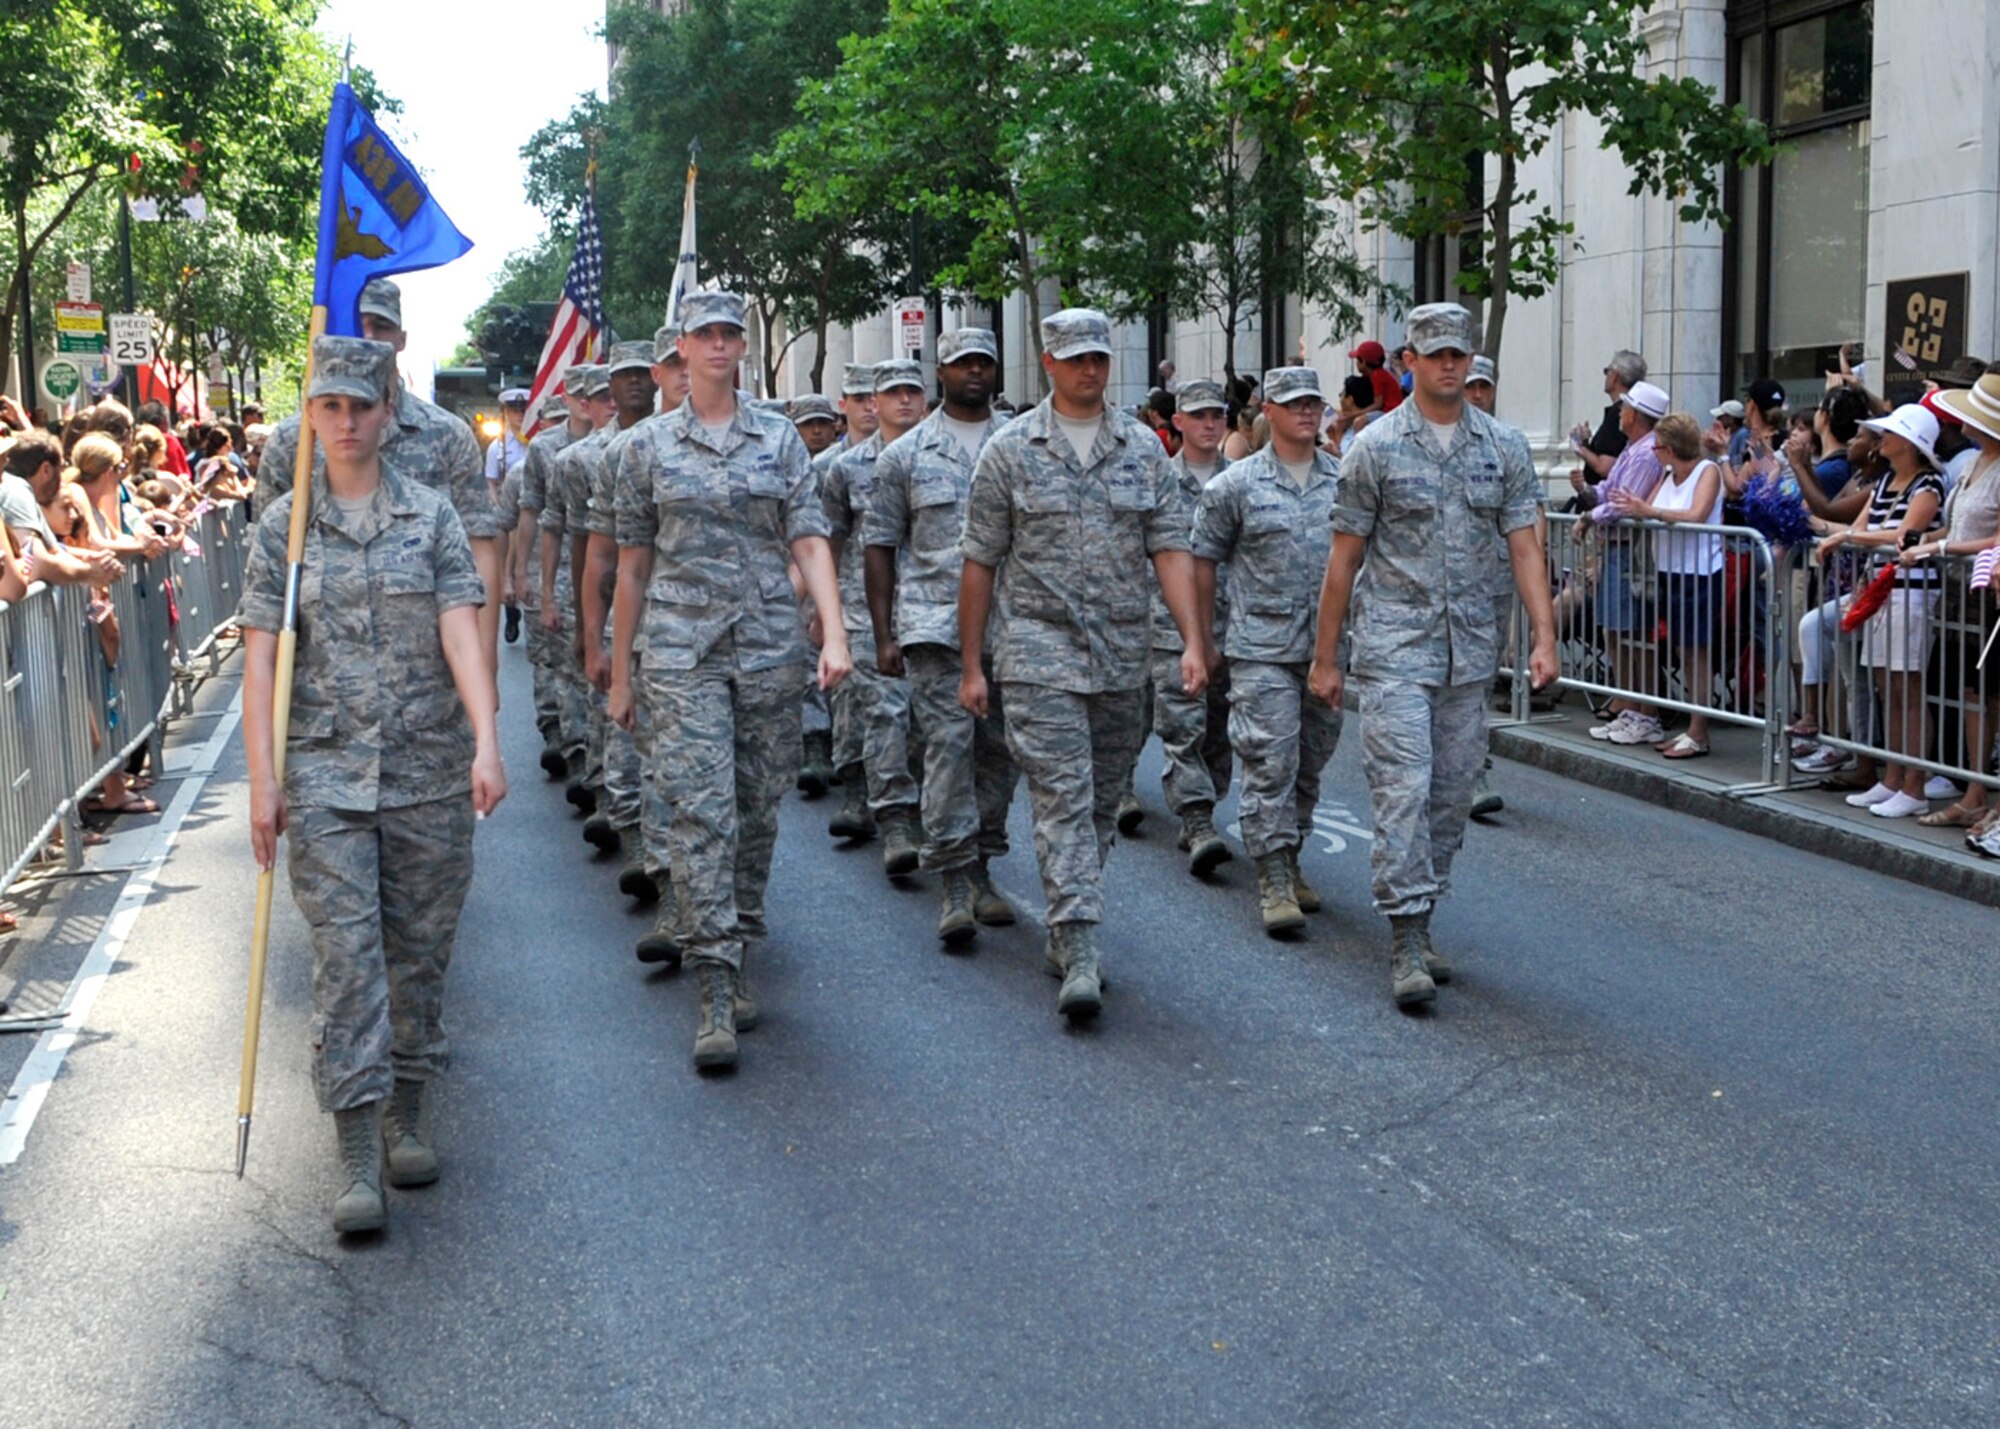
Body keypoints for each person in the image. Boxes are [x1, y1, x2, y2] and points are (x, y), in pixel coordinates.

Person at [238, 334, 504, 1236]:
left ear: (389, 413)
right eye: (329, 406)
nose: (346, 422)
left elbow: (462, 629)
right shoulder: (286, 528)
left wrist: (487, 740)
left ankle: (405, 1111)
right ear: (309, 416)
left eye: (361, 405)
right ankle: (356, 1147)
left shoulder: (429, 516)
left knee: (418, 955)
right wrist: (262, 782)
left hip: (429, 770)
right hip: (324, 776)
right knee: (350, 963)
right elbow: (262, 659)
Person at [609, 291, 851, 1071]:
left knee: (756, 808)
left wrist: (835, 631)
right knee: (703, 809)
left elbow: (808, 538)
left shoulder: (780, 441)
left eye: (729, 334)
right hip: (681, 654)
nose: (718, 345)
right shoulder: (645, 449)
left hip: (768, 649)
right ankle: (713, 981)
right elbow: (632, 569)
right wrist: (620, 672)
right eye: (704, 334)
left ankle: (740, 933)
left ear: (741, 348)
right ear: (679, 348)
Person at [958, 307, 1207, 1022]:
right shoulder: (1010, 451)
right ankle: (1080, 942)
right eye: (1075, 359)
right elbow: (979, 562)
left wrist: (1191, 640)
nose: (1090, 369)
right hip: (1038, 652)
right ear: (1049, 364)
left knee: (1100, 802)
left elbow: (1169, 551)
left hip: (1124, 654)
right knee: (1063, 797)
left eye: (1099, 357)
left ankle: (1070, 916)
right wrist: (973, 663)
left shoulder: (1142, 449)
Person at [1307, 302, 1555, 1009]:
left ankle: (1426, 902)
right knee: (1405, 789)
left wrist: (1544, 634)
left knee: (1450, 797)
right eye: (1435, 353)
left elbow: (1525, 546)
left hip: (1469, 654)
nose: (1450, 364)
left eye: (1460, 353)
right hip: (1393, 649)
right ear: (1408, 360)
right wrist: (1328, 658)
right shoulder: (1375, 448)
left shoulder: (1502, 446)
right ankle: (1406, 931)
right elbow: (1344, 558)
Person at [260, 280, 502, 682]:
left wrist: (485, 667)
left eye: (381, 326)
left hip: (427, 689)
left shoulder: (446, 435)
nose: (368, 336)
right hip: (319, 692)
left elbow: (480, 554)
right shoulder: (295, 443)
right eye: (358, 324)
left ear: (401, 339)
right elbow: (266, 569)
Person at [864, 328, 1021, 944]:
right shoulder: (905, 456)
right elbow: (880, 546)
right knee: (948, 749)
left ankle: (982, 860)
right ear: (942, 373)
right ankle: (955, 878)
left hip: (1014, 625)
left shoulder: (1022, 444)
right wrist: (884, 635)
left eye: (984, 363)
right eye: (963, 364)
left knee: (1000, 753)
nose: (975, 373)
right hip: (935, 625)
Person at [1191, 368, 1341, 936]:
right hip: (1260, 649)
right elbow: (1203, 560)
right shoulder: (1235, 485)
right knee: (1270, 760)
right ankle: (1273, 873)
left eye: (1313, 403)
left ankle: (1292, 853)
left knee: (1310, 762)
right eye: (1294, 403)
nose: (1307, 412)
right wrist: (1202, 640)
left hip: (1326, 649)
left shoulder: (1344, 480)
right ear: (1268, 412)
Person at [1815, 404, 1946, 819]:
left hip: (1910, 591)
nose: (1880, 439)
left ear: (1909, 442)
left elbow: (1903, 533)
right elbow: (1868, 527)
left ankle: (1914, 784)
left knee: (1906, 690)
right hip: (1880, 589)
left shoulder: (1928, 484)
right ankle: (1891, 778)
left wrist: (1849, 536)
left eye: (1889, 433)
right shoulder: (1887, 479)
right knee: (1887, 688)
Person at [823, 360, 926, 877]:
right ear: (873, 403)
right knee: (885, 714)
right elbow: (831, 540)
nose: (902, 401)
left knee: (925, 725)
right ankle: (895, 819)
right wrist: (827, 616)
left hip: (936, 612)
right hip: (866, 611)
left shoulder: (948, 458)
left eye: (913, 391)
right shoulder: (846, 468)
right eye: (891, 393)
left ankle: (923, 805)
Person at [1134, 377, 1237, 877]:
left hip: (1232, 628)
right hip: (1170, 626)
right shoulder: (1158, 483)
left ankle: (1206, 805)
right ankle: (1196, 819)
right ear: (1177, 422)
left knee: (1219, 729)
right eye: (1198, 416)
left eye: (1216, 415)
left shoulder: (1241, 480)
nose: (1209, 424)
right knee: (1182, 725)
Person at [570, 343, 660, 868]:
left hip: (685, 625)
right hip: (628, 619)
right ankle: (639, 840)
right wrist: (590, 632)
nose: (634, 386)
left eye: (639, 376)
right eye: (622, 377)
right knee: (629, 734)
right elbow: (592, 551)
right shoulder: (593, 458)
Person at [1909, 373, 2000, 834]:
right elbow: (1957, 525)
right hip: (1959, 588)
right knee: (1964, 690)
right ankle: (1973, 787)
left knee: (1982, 692)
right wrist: (1931, 539)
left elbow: (1996, 538)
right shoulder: (1971, 465)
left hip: (1986, 591)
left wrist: (1943, 549)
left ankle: (1979, 792)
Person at [1610, 412, 1724, 758]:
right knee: (1681, 650)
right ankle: (1691, 727)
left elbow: (1696, 514)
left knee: (1696, 652)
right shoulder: (1669, 474)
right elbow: (1647, 508)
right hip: (1670, 570)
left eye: (1658, 447)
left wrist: (1649, 511)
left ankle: (1699, 730)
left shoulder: (1708, 472)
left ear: (1670, 448)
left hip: (1700, 571)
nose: (1654, 452)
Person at [1577, 379, 1670, 744]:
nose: (1620, 412)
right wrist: (1588, 493)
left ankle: (1645, 712)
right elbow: (1609, 491)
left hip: (1630, 551)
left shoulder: (1647, 453)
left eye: (1625, 407)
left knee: (1633, 633)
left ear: (1638, 415)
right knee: (1615, 631)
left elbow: (1622, 504)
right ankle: (1632, 706)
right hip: (1615, 548)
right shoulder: (1635, 448)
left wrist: (1589, 515)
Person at [806, 363, 882, 807]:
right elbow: (819, 540)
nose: (870, 407)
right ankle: (856, 785)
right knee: (853, 698)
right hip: (849, 596)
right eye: (860, 399)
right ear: (844, 406)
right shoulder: (828, 468)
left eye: (875, 397)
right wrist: (821, 606)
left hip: (907, 598)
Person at [541, 364, 614, 814]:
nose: (609, 402)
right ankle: (595, 771)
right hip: (597, 591)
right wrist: (543, 590)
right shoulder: (565, 459)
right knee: (598, 688)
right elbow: (552, 525)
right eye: (600, 395)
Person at [516, 387, 583, 775]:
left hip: (607, 570)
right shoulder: (544, 451)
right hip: (556, 570)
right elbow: (527, 516)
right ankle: (564, 737)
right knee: (557, 660)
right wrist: (522, 573)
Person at [1568, 349, 1645, 499]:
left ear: (1615, 376)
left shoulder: (1620, 415)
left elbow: (1605, 467)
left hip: (1603, 503)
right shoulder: (1623, 413)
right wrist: (1587, 444)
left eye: (1607, 371)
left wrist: (1580, 447)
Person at [1349, 339, 1403, 416]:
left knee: (1359, 422)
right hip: (1389, 411)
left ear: (1363, 362)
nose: (1356, 363)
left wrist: (1355, 414)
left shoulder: (1377, 375)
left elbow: (1378, 404)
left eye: (1357, 360)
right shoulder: (1378, 374)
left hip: (1390, 412)